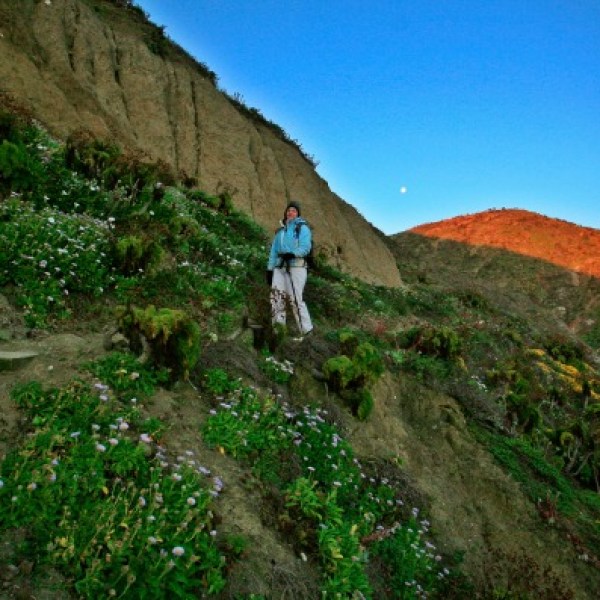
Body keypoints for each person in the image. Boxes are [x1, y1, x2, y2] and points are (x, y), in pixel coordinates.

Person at [266, 200, 313, 339]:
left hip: (296, 267)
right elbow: (273, 251)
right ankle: (278, 330)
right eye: (288, 210)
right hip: (280, 267)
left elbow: (305, 247)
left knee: (296, 299)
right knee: (276, 297)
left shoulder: (302, 228)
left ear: (297, 214)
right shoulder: (280, 232)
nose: (290, 212)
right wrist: (269, 270)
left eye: (293, 210)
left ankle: (307, 331)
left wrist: (292, 254)